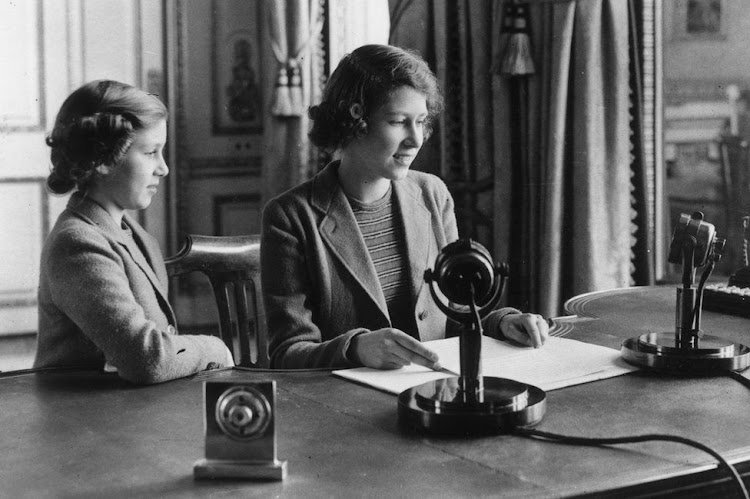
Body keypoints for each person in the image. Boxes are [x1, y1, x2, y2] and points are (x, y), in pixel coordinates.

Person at [261, 44, 549, 370]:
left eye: (422, 121)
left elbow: (453, 310)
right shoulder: (290, 217)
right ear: (354, 120)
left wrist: (502, 322)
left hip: (433, 392)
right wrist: (355, 349)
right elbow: (287, 353)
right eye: (399, 121)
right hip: (345, 406)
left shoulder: (432, 194)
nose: (416, 140)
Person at [34, 80, 233, 384]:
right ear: (103, 159)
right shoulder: (76, 243)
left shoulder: (135, 235)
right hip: (81, 422)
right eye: (151, 152)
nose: (163, 168)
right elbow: (147, 358)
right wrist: (215, 348)